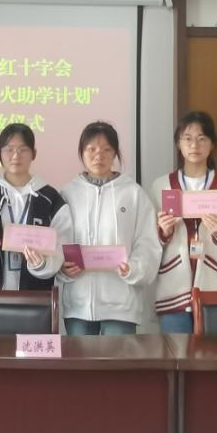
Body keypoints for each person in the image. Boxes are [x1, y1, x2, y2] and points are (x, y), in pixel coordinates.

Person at [59, 121, 161, 335]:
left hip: (121, 305)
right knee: (79, 358)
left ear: (115, 153)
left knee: (117, 358)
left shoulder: (133, 193)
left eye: (106, 149)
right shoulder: (68, 193)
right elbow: (59, 240)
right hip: (78, 304)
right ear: (82, 153)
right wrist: (62, 267)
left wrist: (133, 269)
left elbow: (147, 242)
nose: (99, 156)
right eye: (91, 149)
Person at [150, 111, 217, 333]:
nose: (195, 145)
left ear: (212, 144)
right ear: (178, 144)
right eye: (188, 138)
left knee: (214, 354)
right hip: (173, 292)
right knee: (177, 353)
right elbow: (147, 244)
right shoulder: (161, 186)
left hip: (215, 291)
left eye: (202, 138)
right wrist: (163, 232)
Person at [0, 123, 72, 290]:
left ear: (34, 153)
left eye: (23, 149)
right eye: (9, 149)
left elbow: (61, 245)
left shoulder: (50, 199)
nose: (16, 155)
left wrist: (43, 264)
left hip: (34, 298)